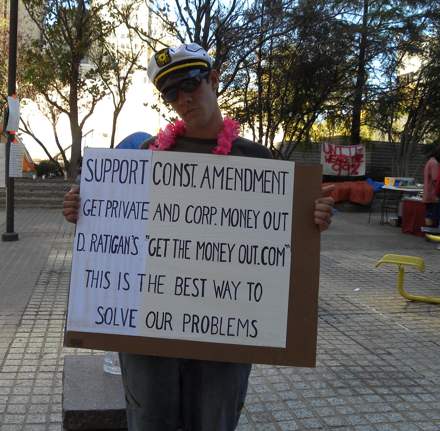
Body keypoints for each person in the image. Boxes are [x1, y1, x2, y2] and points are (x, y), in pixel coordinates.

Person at [62, 43, 334, 431]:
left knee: (214, 422)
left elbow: (285, 241)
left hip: (226, 330)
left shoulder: (258, 162)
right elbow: (114, 229)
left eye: (190, 84)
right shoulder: (143, 156)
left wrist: (316, 218)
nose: (183, 99)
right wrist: (82, 210)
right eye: (170, 93)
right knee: (150, 421)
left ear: (214, 80)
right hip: (147, 330)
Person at [422, 148, 440, 227]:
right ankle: (430, 231)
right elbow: (436, 179)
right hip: (433, 193)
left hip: (428, 192)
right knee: (432, 214)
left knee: (429, 213)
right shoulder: (434, 163)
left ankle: (428, 231)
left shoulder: (429, 162)